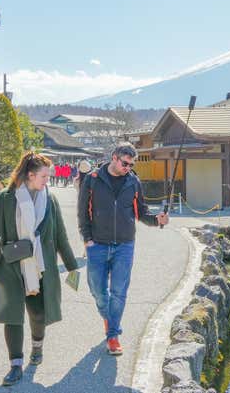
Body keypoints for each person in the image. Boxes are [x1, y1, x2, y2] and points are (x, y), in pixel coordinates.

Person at [0, 152, 78, 387]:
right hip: (10, 266)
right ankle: (15, 364)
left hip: (39, 268)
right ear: (30, 175)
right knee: (13, 317)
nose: (48, 180)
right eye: (44, 176)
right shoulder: (6, 199)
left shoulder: (51, 200)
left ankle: (37, 347)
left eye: (49, 176)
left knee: (38, 314)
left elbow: (61, 237)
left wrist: (72, 267)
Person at [77, 142, 168, 356]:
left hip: (125, 245)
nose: (128, 167)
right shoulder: (92, 180)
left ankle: (113, 335)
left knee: (119, 293)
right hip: (97, 245)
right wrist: (87, 239)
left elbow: (142, 212)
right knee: (98, 292)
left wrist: (157, 220)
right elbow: (82, 213)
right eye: (125, 163)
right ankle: (110, 320)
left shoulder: (133, 182)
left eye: (131, 164)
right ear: (115, 158)